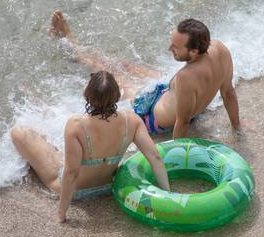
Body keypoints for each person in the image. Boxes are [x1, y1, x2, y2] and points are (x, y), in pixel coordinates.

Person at [49, 11, 241, 138]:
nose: (168, 48)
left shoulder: (186, 78)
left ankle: (71, 43)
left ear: (193, 52)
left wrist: (175, 160)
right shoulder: (220, 50)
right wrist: (237, 127)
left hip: (150, 116)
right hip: (178, 100)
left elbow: (182, 124)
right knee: (125, 65)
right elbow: (229, 93)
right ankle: (76, 46)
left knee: (112, 73)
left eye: (175, 47)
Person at [11, 71, 170, 223]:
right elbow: (155, 157)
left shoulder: (77, 125)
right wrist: (167, 195)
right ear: (117, 95)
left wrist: (61, 214)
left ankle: (46, 145)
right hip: (109, 187)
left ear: (88, 95)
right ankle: (50, 147)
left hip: (76, 191)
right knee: (56, 153)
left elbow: (71, 173)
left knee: (19, 133)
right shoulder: (132, 120)